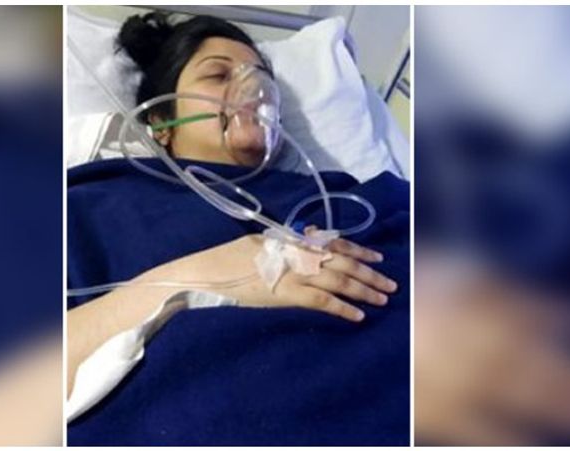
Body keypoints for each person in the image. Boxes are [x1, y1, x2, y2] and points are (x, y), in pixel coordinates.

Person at [67, 12, 400, 414]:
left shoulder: (343, 194)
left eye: (262, 78)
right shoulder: (97, 204)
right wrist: (214, 275)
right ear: (161, 121)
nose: (253, 91)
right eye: (218, 75)